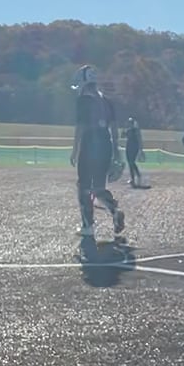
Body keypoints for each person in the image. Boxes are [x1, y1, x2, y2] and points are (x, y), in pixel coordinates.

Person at [70, 65, 125, 240]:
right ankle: (114, 210)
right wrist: (116, 150)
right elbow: (114, 128)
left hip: (90, 143)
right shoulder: (107, 100)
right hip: (105, 144)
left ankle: (88, 226)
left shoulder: (83, 100)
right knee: (99, 187)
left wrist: (75, 149)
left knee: (84, 186)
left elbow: (81, 126)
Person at [123, 117, 144, 187]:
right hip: (128, 147)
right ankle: (134, 178)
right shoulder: (128, 130)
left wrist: (141, 149)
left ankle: (137, 176)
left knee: (131, 162)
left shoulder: (136, 130)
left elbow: (139, 139)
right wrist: (124, 129)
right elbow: (122, 135)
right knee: (130, 163)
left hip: (134, 148)